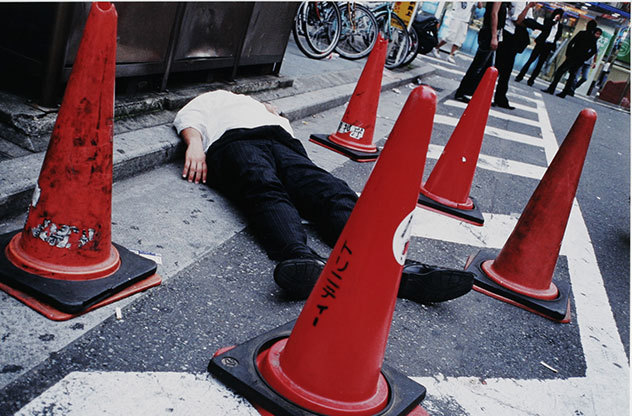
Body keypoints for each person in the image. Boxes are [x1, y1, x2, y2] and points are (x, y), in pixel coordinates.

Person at [173, 89, 474, 301]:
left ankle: (391, 266)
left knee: (330, 190)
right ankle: (301, 259)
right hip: (234, 142)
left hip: (284, 146)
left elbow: (277, 121)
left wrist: (268, 110)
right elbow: (188, 117)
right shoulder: (214, 98)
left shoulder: (260, 106)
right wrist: (195, 144)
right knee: (262, 186)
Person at [454, 2, 506, 103]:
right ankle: (463, 91)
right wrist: (494, 36)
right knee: (478, 65)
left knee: (485, 67)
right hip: (489, 33)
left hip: (491, 32)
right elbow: (494, 14)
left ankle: (473, 92)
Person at [492, 2, 535, 110]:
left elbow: (528, 19)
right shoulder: (519, 2)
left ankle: (500, 98)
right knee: (499, 67)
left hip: (515, 36)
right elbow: (518, 20)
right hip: (507, 34)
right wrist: (527, 8)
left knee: (507, 70)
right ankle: (488, 95)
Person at [542, 20, 601, 97]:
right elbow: (594, 51)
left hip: (572, 55)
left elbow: (571, 43)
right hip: (580, 59)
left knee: (560, 71)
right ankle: (564, 93)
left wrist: (568, 54)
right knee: (572, 75)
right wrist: (585, 57)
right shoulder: (593, 38)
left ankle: (552, 88)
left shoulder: (581, 33)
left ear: (587, 26)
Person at [514, 7, 564, 86]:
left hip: (549, 45)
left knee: (540, 64)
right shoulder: (548, 20)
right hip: (541, 43)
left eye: (560, 16)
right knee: (531, 60)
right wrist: (553, 21)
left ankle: (531, 80)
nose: (558, 17)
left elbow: (558, 36)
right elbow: (545, 28)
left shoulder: (560, 26)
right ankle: (520, 76)